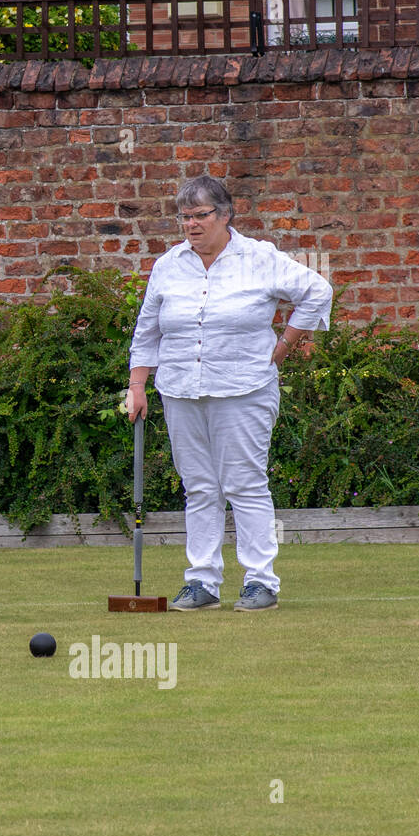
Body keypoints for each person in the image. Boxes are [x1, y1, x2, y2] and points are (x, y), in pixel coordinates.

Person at [127, 175, 332, 612]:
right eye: (185, 217)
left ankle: (261, 582)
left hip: (244, 389)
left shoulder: (259, 258)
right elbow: (148, 329)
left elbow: (316, 291)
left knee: (245, 484)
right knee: (199, 486)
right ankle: (202, 582)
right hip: (181, 390)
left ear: (225, 215)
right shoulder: (168, 265)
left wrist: (282, 348)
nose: (192, 225)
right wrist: (137, 385)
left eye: (201, 216)